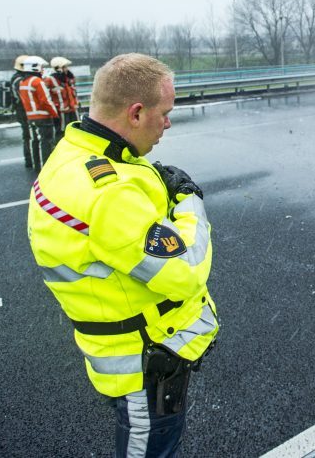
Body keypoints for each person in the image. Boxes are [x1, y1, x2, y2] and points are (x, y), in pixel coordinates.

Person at [27, 53, 218, 458]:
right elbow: (184, 272)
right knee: (150, 447)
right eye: (164, 112)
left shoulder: (74, 153)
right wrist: (189, 202)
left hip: (123, 346)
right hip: (146, 361)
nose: (169, 122)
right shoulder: (108, 193)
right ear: (135, 112)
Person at [18, 56, 59, 170]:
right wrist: (55, 114)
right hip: (43, 117)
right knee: (46, 142)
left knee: (35, 141)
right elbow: (45, 101)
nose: (42, 69)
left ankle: (37, 165)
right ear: (34, 67)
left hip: (30, 117)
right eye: (41, 67)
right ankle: (44, 167)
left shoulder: (23, 82)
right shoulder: (37, 82)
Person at [9, 54, 34, 168]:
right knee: (28, 135)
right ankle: (29, 159)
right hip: (23, 111)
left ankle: (30, 159)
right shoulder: (19, 80)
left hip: (21, 110)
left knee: (28, 135)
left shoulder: (16, 78)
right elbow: (25, 97)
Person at [50, 56, 81, 130]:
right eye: (65, 67)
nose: (67, 69)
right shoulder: (51, 80)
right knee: (62, 130)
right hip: (62, 111)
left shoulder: (69, 79)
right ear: (58, 68)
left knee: (77, 129)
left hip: (73, 109)